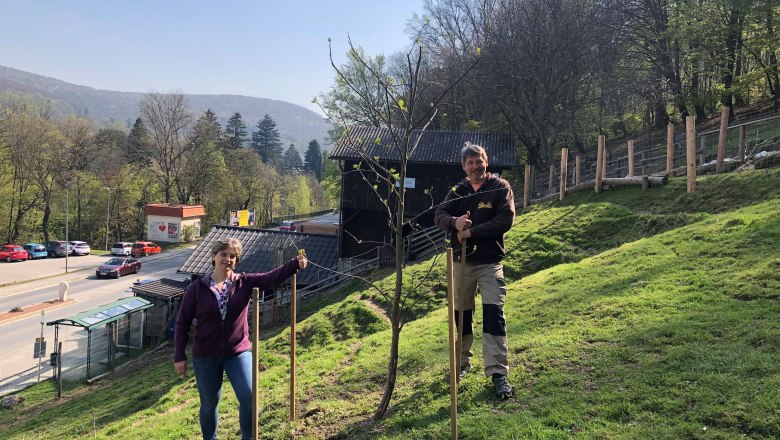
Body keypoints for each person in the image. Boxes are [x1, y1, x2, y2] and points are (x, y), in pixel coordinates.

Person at [174, 237, 307, 440]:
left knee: (249, 397)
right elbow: (182, 323)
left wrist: (294, 264)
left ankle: (249, 437)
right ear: (214, 256)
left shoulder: (244, 282)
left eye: (233, 256)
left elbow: (271, 277)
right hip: (205, 355)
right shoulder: (197, 288)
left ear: (236, 260)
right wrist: (179, 355)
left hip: (238, 351)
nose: (228, 259)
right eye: (224, 254)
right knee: (209, 403)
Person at [434, 142, 516, 400]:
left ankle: (498, 373)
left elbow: (506, 220)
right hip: (461, 263)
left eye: (478, 161)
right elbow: (439, 214)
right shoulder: (458, 191)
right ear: (464, 167)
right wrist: (454, 222)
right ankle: (460, 365)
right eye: (469, 163)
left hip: (490, 262)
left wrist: (472, 231)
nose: (475, 166)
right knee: (461, 316)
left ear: (486, 162)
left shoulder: (500, 188)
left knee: (494, 313)